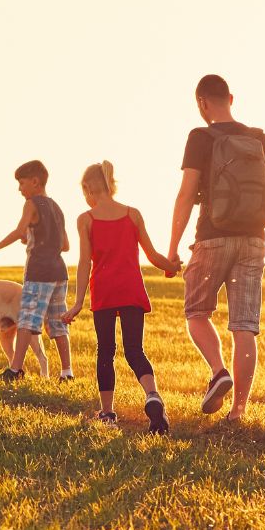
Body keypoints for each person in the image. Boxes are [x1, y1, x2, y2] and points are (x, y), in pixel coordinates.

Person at [165, 74, 265, 422]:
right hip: (255, 240)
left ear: (202, 103)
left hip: (212, 237)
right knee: (244, 326)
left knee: (196, 313)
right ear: (231, 99)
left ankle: (218, 370)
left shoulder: (200, 137)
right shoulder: (259, 138)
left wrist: (173, 246)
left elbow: (185, 194)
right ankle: (238, 410)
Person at [62, 161, 173, 433]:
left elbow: (84, 262)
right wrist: (172, 266)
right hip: (131, 290)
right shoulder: (132, 214)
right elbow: (153, 255)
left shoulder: (86, 219)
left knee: (106, 352)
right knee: (135, 350)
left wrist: (77, 303)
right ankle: (152, 395)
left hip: (105, 292)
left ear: (88, 188)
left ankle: (108, 413)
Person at [0, 159, 74, 381]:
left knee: (27, 320)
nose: (19, 189)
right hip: (59, 272)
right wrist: (35, 236)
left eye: (21, 183)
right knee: (58, 322)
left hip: (39, 272)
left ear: (35, 182)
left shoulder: (32, 204)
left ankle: (15, 369)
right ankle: (67, 372)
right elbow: (65, 246)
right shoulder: (57, 207)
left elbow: (19, 231)